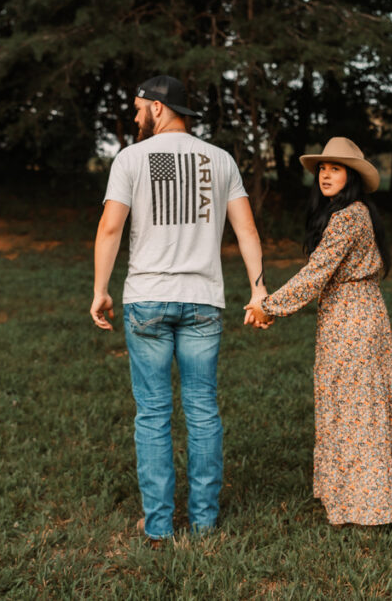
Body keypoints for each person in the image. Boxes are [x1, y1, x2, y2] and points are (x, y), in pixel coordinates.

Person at [91, 75, 267, 545]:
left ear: (159, 106)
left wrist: (100, 290)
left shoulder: (131, 159)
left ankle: (160, 525)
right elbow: (246, 231)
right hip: (204, 299)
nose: (134, 116)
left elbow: (110, 230)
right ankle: (205, 522)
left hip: (146, 298)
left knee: (152, 413)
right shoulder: (221, 160)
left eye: (137, 107)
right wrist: (257, 287)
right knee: (203, 409)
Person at [244, 137, 392, 526]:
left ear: (352, 176)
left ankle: (366, 505)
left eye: (336, 168)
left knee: (356, 408)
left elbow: (315, 274)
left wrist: (268, 305)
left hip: (352, 320)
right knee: (356, 406)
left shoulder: (348, 217)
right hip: (356, 314)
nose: (327, 175)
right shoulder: (353, 213)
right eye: (323, 169)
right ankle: (356, 497)